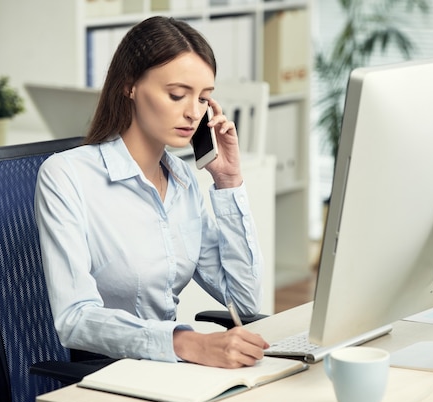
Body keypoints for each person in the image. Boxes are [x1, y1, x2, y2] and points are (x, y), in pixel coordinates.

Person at [34, 16, 269, 369]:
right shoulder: (66, 176)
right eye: (177, 95)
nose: (193, 113)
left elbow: (245, 301)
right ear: (129, 85)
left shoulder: (183, 182)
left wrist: (229, 180)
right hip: (108, 376)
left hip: (171, 370)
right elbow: (75, 318)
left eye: (204, 99)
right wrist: (186, 342)